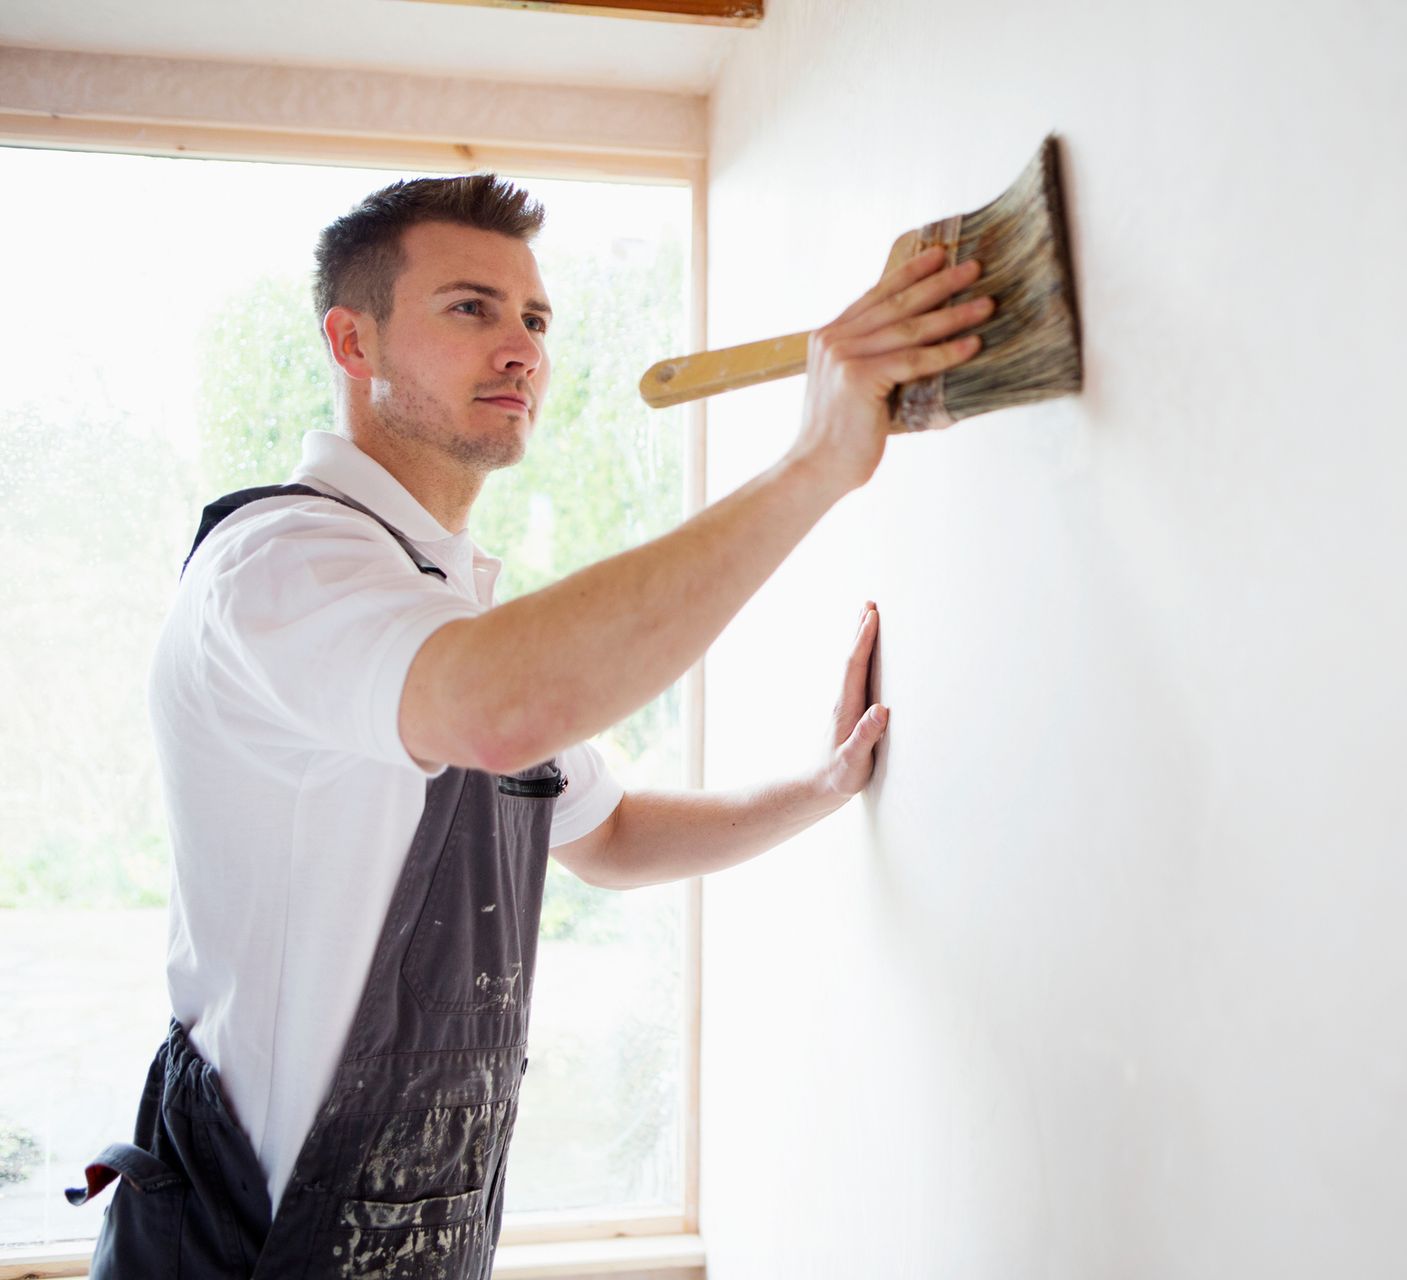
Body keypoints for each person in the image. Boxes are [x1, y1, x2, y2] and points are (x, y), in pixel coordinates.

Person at [67, 172, 993, 1277]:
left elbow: (612, 834)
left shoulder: (448, 610)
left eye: (536, 319)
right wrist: (814, 464)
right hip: (242, 1254)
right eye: (471, 308)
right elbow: (503, 710)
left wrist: (826, 785)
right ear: (351, 342)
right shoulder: (282, 570)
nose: (522, 349)